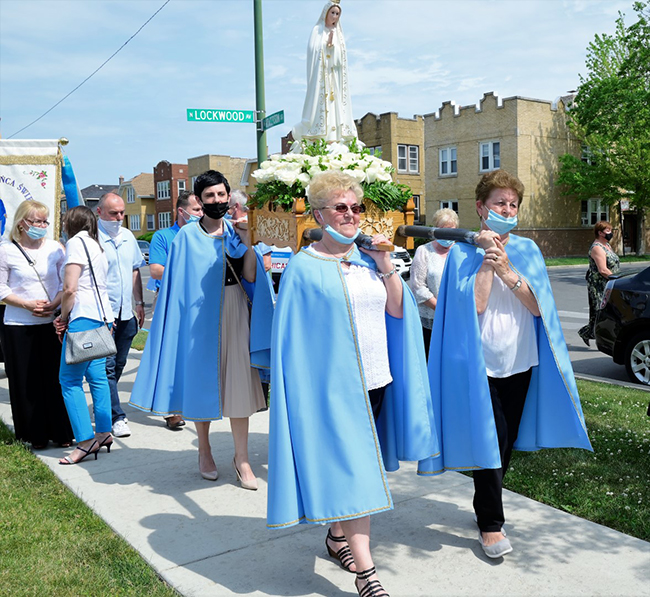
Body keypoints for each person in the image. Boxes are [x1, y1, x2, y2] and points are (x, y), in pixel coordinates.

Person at [267, 171, 436, 597]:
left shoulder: (365, 262)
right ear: (320, 215)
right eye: (340, 208)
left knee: (358, 470)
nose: (349, 214)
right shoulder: (304, 268)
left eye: (355, 207)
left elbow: (397, 313)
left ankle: (337, 537)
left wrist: (385, 269)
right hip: (333, 391)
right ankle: (367, 574)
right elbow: (293, 340)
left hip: (376, 381)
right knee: (359, 474)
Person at [418, 170, 592, 559]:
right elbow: (474, 307)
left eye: (513, 204)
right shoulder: (462, 251)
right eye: (500, 203)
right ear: (481, 208)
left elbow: (538, 307)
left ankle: (486, 503)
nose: (507, 209)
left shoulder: (528, 250)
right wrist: (485, 262)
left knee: (506, 439)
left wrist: (508, 271)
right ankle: (490, 524)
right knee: (491, 439)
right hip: (480, 364)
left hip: (522, 358)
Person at [129, 170, 266, 488]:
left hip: (233, 307)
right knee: (201, 381)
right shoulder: (187, 237)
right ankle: (204, 449)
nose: (217, 200)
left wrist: (247, 243)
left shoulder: (238, 230)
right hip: (197, 317)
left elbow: (250, 277)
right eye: (210, 196)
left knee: (238, 383)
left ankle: (241, 458)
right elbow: (178, 286)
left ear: (228, 196)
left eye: (221, 195)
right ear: (199, 201)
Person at [0, 200, 73, 449]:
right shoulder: (6, 250)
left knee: (55, 379)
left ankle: (62, 433)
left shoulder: (55, 248)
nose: (42, 226)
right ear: (22, 223)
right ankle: (34, 435)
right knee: (26, 381)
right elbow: (1, 289)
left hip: (51, 323)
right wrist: (27, 305)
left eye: (45, 221)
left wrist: (53, 305)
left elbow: (66, 281)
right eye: (37, 221)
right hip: (18, 325)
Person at [54, 206, 114, 465]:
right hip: (103, 316)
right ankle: (103, 432)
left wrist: (63, 318)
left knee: (69, 380)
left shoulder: (76, 244)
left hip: (82, 317)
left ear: (71, 223)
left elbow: (70, 288)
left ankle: (85, 441)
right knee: (98, 377)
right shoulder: (96, 244)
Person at [147, 191, 203, 430]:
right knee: (170, 355)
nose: (201, 214)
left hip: (197, 303)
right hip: (170, 302)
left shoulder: (205, 235)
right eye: (197, 210)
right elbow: (156, 270)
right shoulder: (163, 236)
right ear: (182, 211)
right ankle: (171, 410)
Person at [96, 193, 146, 438]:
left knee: (118, 364)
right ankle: (116, 416)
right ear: (99, 213)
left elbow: (135, 270)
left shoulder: (127, 236)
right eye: (113, 213)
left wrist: (139, 303)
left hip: (126, 312)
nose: (119, 217)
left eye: (122, 213)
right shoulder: (92, 238)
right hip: (103, 314)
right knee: (106, 368)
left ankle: (103, 404)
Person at [292, 0, 357, 144]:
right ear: (326, 13)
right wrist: (326, 45)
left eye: (337, 14)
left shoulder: (338, 33)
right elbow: (313, 50)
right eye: (332, 13)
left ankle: (335, 137)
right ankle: (319, 134)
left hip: (333, 74)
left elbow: (342, 57)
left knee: (336, 105)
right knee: (321, 103)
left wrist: (334, 48)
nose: (334, 16)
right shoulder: (317, 30)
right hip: (321, 76)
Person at [409, 208, 459, 359]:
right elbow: (418, 286)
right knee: (431, 359)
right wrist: (441, 308)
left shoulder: (460, 251)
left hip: (457, 319)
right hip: (432, 320)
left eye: (451, 231)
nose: (447, 235)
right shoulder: (424, 251)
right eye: (443, 230)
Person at [578, 221, 620, 346]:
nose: (610, 233)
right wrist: (616, 279)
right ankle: (591, 334)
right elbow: (602, 270)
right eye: (607, 231)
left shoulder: (607, 245)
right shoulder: (597, 248)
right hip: (598, 285)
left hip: (609, 283)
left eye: (610, 230)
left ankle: (592, 333)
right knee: (599, 312)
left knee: (606, 311)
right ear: (600, 233)